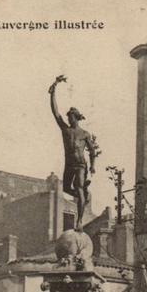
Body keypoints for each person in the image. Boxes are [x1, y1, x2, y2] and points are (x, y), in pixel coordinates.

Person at [49, 75, 97, 231]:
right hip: (69, 164)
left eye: (71, 116)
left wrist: (93, 166)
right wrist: (53, 91)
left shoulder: (84, 133)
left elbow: (92, 150)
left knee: (79, 189)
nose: (69, 119)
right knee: (67, 189)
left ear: (76, 117)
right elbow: (55, 113)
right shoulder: (66, 130)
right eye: (68, 117)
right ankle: (83, 191)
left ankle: (79, 221)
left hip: (80, 164)